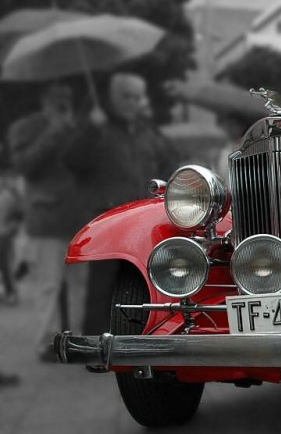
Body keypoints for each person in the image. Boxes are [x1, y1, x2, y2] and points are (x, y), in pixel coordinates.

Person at [73, 73, 181, 334]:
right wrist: (90, 129)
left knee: (143, 283)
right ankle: (96, 342)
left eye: (137, 97)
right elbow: (72, 161)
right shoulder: (97, 127)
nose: (132, 102)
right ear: (112, 97)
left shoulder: (147, 130)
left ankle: (140, 337)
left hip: (144, 220)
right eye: (126, 96)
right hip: (108, 219)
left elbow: (171, 163)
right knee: (103, 287)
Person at [7, 82, 89, 360]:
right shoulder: (25, 128)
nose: (64, 101)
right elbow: (24, 165)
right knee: (48, 284)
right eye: (57, 97)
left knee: (80, 285)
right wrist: (52, 132)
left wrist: (92, 132)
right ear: (43, 98)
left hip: (79, 217)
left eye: (67, 96)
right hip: (47, 217)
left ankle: (77, 339)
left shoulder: (79, 126)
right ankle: (48, 343)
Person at [0, 165, 23, 305]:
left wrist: (12, 229)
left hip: (4, 234)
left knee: (5, 264)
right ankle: (9, 292)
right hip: (5, 232)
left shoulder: (10, 195)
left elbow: (19, 214)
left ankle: (11, 292)